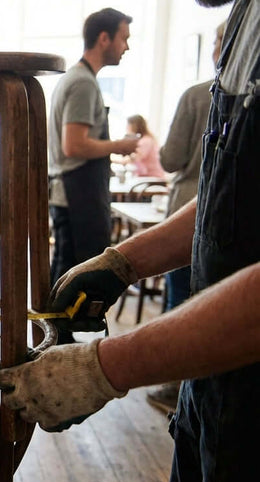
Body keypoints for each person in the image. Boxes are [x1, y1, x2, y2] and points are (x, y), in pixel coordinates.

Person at [0, 1, 260, 482]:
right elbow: (230, 196)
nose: (130, 46)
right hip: (208, 388)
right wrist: (126, 262)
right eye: (125, 37)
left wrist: (104, 368)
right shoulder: (247, 19)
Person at [146, 21, 226, 415]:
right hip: (227, 214)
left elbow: (171, 158)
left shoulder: (197, 96)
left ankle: (173, 383)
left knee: (180, 297)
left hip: (188, 205)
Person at [47, 7, 139, 343]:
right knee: (71, 275)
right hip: (76, 195)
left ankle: (56, 344)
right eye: (123, 38)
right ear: (104, 38)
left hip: (73, 192)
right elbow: (74, 145)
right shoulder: (82, 83)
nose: (126, 46)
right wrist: (120, 145)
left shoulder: (78, 79)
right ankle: (55, 347)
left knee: (67, 273)